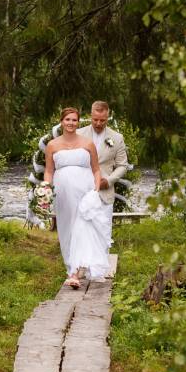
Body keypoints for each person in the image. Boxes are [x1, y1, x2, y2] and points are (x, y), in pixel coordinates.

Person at [44, 108, 111, 290]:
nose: (71, 123)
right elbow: (49, 171)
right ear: (61, 121)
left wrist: (96, 190)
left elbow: (96, 169)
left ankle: (75, 272)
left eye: (74, 120)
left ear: (78, 122)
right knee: (67, 228)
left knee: (82, 227)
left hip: (85, 192)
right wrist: (45, 188)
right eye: (67, 119)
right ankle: (71, 267)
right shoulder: (52, 145)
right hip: (63, 194)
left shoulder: (87, 143)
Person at [76, 101, 129, 256]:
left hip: (105, 192)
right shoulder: (78, 134)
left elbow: (122, 165)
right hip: (81, 191)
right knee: (82, 231)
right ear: (90, 116)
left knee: (103, 232)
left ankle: (102, 265)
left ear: (108, 117)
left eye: (102, 120)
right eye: (95, 119)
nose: (98, 123)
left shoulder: (117, 137)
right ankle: (82, 264)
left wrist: (109, 180)